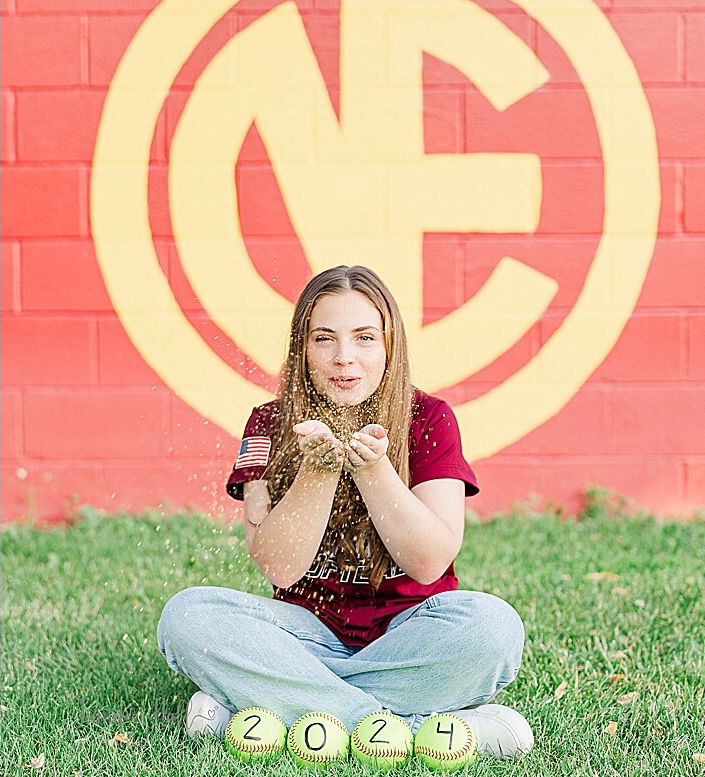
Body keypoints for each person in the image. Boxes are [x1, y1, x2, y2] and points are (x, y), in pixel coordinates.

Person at [155, 265, 533, 759]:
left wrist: (374, 472)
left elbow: (430, 562)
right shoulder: (267, 422)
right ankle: (414, 726)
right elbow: (279, 566)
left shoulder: (430, 418)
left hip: (411, 631)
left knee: (492, 626)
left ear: (389, 345)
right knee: (187, 617)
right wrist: (317, 473)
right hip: (305, 634)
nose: (343, 358)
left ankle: (268, 706)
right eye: (324, 338)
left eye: (364, 338)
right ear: (302, 348)